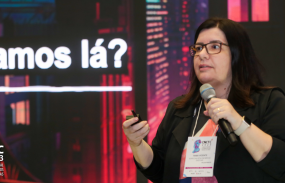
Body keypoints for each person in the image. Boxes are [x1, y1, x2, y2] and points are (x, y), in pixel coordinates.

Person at [122, 18, 285, 183]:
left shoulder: (269, 102)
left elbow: (280, 163)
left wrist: (238, 122)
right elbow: (159, 170)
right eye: (198, 48)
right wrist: (137, 144)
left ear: (237, 53)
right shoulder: (180, 109)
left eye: (214, 47)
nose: (202, 54)